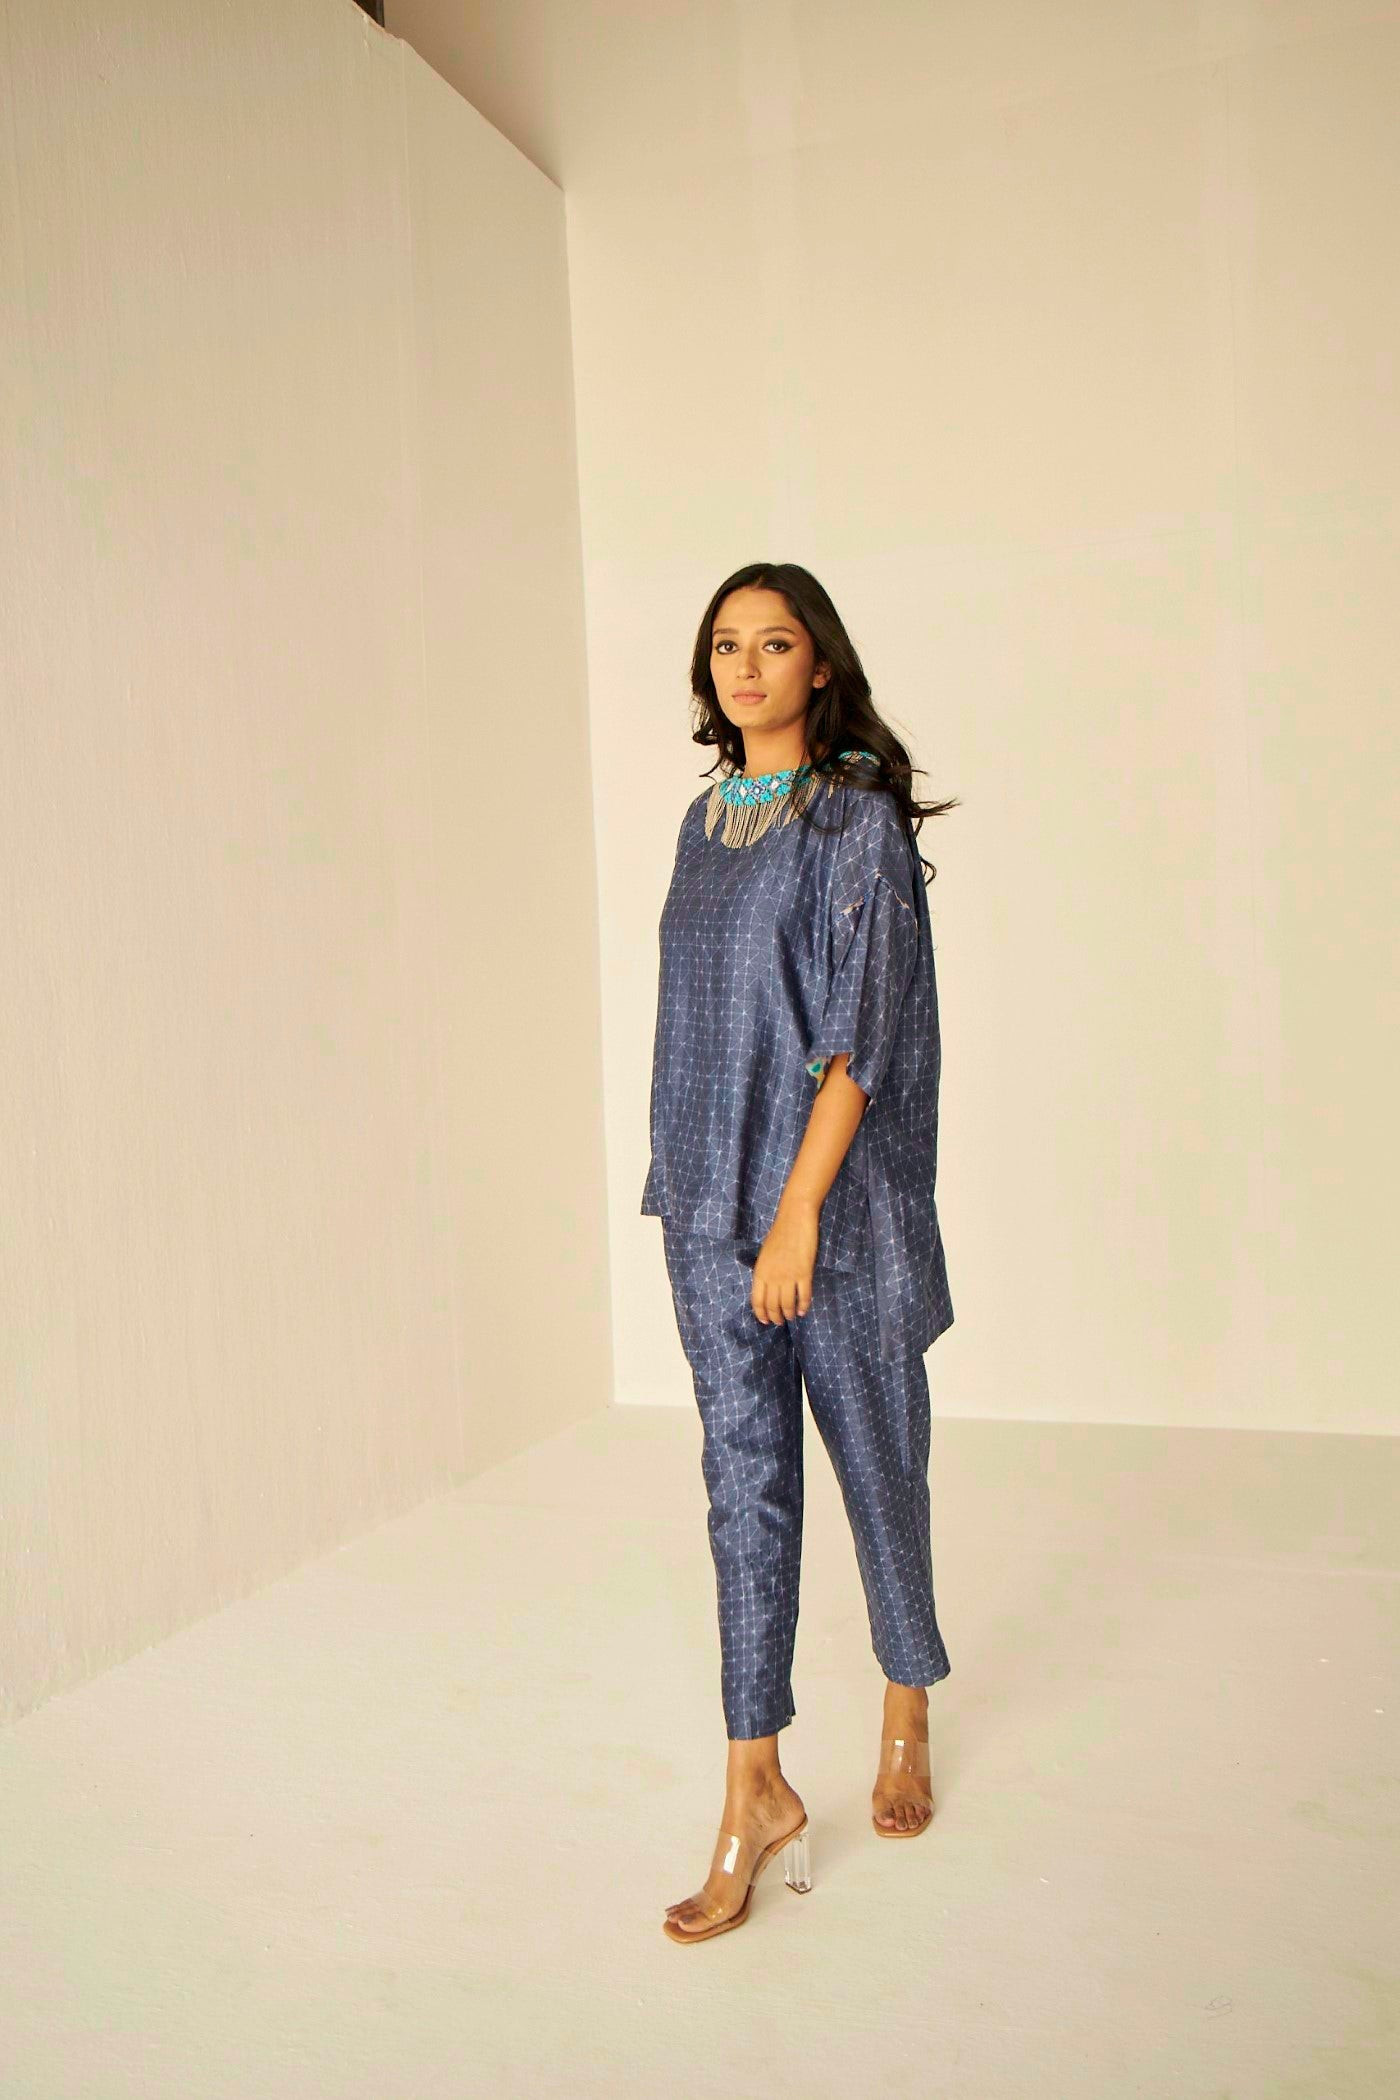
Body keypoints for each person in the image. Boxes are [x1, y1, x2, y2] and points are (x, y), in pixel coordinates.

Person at [641, 561, 960, 1944]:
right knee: (744, 1490)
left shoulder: (855, 819)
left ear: (819, 664)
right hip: (707, 1207)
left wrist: (799, 1210)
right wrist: (704, 1196)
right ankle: (754, 1782)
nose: (746, 665)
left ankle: (906, 1699)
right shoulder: (702, 822)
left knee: (878, 1463)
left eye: (774, 643)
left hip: (829, 1210)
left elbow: (862, 1034)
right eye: (727, 643)